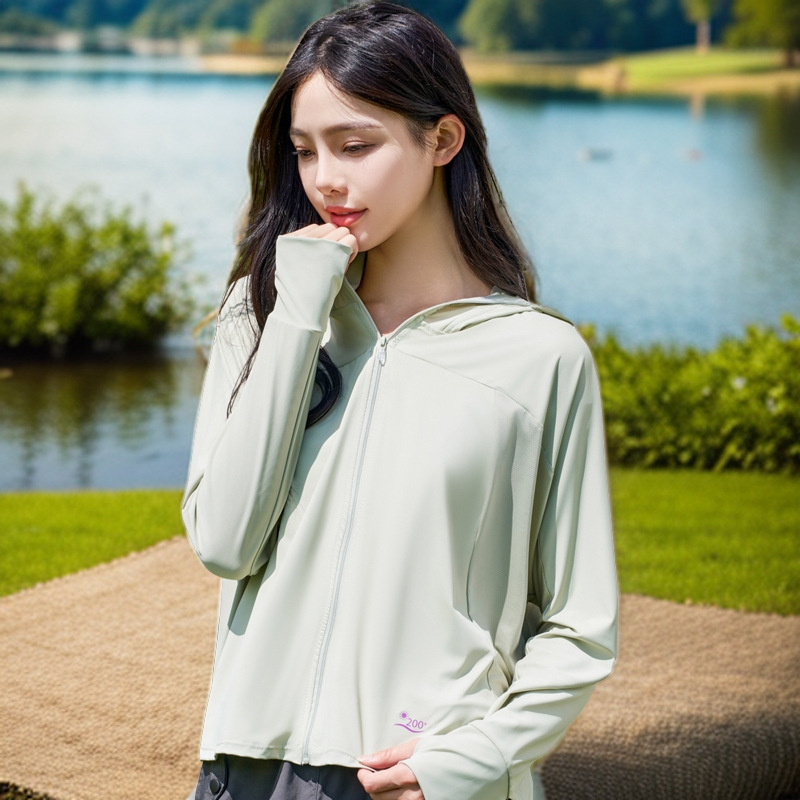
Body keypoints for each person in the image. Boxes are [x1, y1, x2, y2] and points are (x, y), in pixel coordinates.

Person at [182, 3, 618, 799]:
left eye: (356, 146)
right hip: (246, 769)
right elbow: (224, 541)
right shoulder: (266, 311)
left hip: (421, 777)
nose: (325, 178)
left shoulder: (540, 359)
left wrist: (472, 759)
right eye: (305, 150)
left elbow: (579, 627)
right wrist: (299, 313)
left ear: (442, 139)